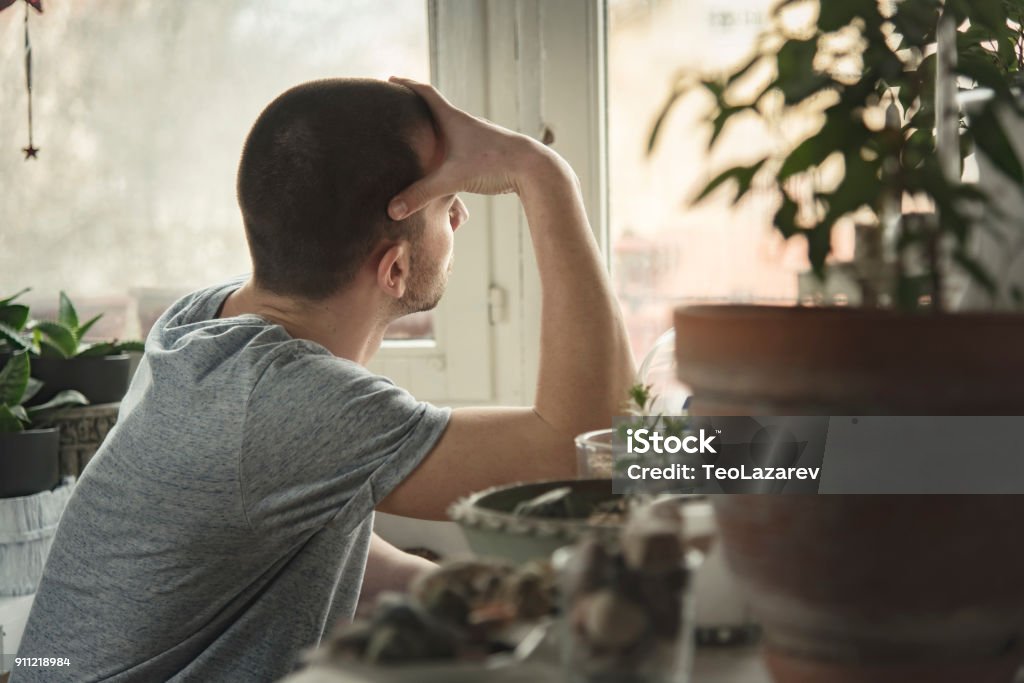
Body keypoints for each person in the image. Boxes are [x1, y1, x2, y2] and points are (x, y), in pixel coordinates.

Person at [13, 77, 634, 682]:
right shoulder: (288, 403)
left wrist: (467, 597)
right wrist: (545, 175)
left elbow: (287, 531)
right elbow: (591, 449)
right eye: (447, 203)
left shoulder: (205, 323)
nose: (463, 213)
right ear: (395, 267)